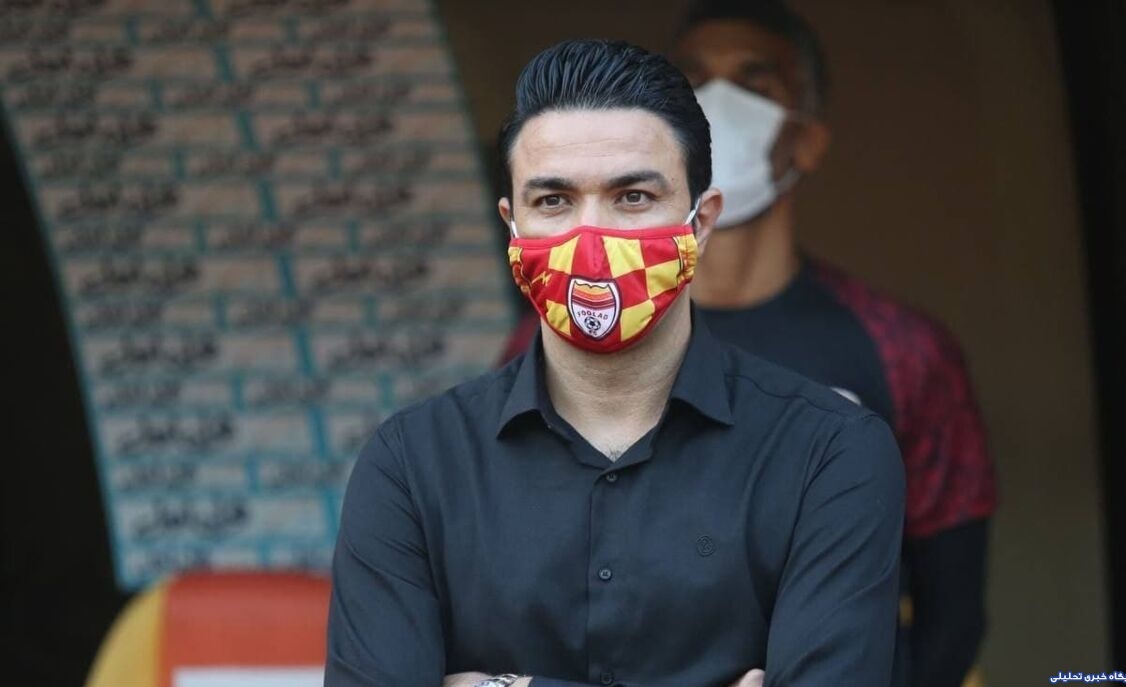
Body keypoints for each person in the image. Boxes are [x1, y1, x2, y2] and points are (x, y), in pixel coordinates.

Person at [326, 39, 905, 687]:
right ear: (512, 226)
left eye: (632, 196)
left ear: (701, 222)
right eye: (553, 201)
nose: (591, 238)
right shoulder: (412, 465)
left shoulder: (829, 454)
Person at [497, 4, 998, 687]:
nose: (718, 105)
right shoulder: (550, 340)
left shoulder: (903, 350)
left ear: (809, 140)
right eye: (695, 81)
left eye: (754, 85)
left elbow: (952, 614)